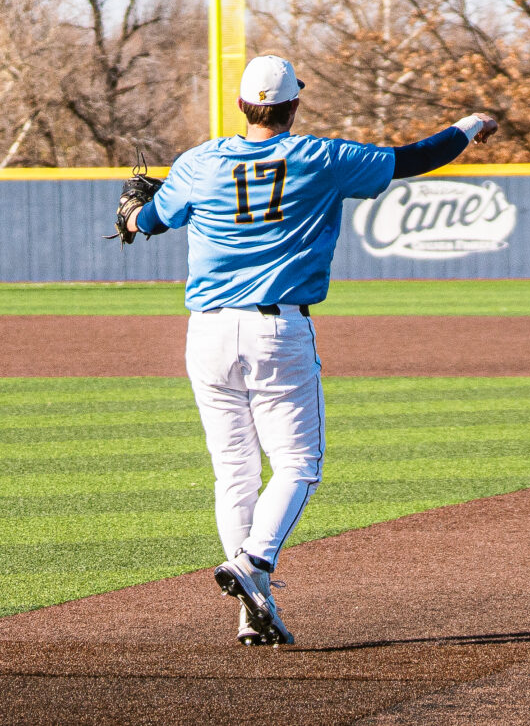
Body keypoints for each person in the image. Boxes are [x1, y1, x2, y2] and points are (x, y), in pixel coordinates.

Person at [127, 55, 498, 646]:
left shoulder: (198, 162)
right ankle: (254, 566)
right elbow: (413, 159)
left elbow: (148, 221)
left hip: (208, 333)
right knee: (298, 464)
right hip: (279, 331)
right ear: (293, 104)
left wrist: (137, 215)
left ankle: (253, 609)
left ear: (242, 105)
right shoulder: (321, 159)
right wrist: (471, 126)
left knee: (234, 474)